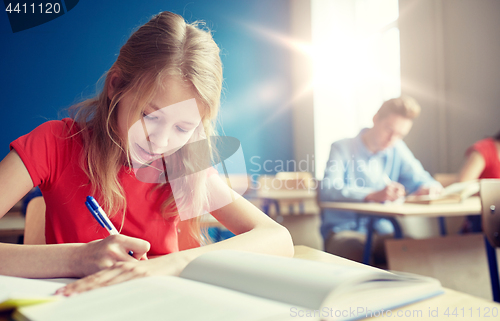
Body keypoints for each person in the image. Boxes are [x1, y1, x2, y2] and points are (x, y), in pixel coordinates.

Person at [0, 11, 293, 295]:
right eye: (149, 116)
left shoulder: (182, 164)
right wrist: (76, 258)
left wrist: (168, 265)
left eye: (182, 128)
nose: (160, 142)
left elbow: (278, 238)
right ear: (116, 86)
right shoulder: (56, 143)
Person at [319, 97, 442, 260]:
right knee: (357, 253)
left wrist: (430, 187)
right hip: (345, 231)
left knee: (414, 251)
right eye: (389, 130)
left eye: (400, 134)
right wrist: (372, 194)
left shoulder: (397, 149)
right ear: (375, 119)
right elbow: (328, 189)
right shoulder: (341, 148)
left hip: (383, 231)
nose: (392, 139)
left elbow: (421, 178)